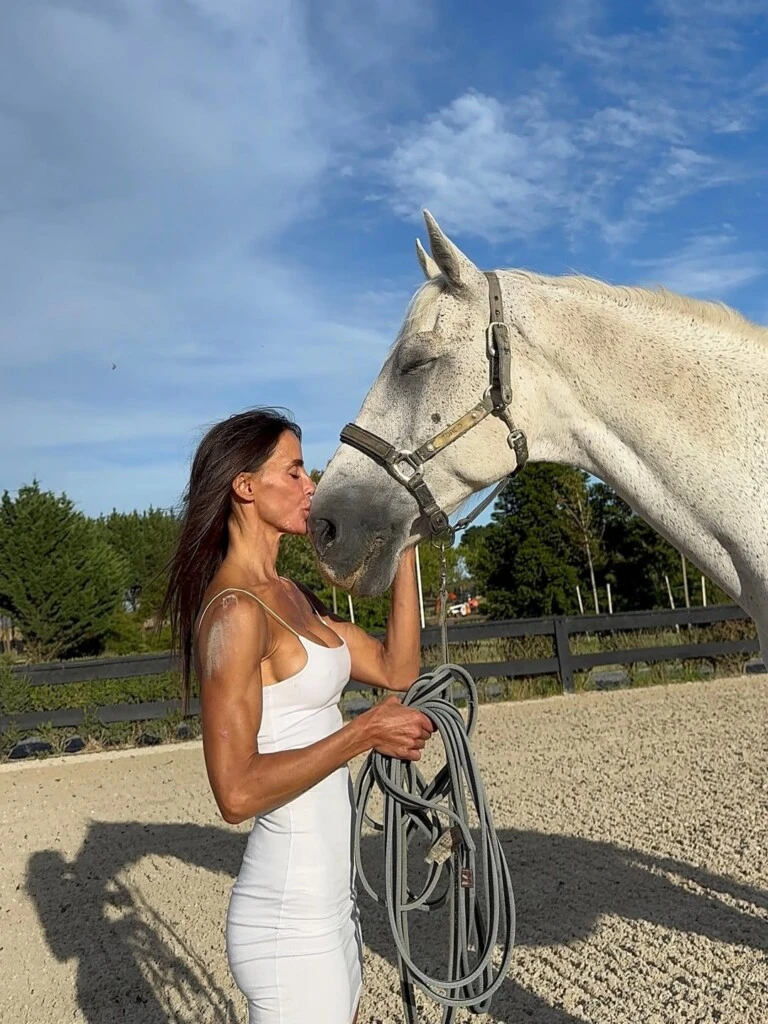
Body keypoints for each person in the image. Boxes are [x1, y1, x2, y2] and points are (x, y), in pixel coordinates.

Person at [162, 407, 434, 1024]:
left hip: (330, 906)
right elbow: (235, 793)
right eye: (295, 472)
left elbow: (396, 668)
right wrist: (362, 732)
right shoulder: (234, 613)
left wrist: (405, 544)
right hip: (288, 918)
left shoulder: (291, 595)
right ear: (245, 487)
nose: (311, 486)